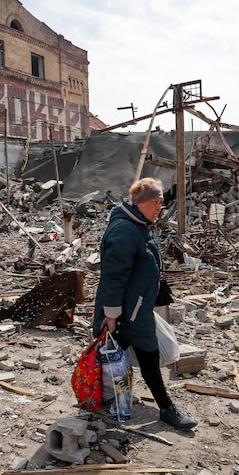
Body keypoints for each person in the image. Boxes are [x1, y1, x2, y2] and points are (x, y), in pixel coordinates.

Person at [92, 178, 198, 429]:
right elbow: (113, 276)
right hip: (128, 311)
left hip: (134, 307)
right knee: (147, 354)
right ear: (139, 203)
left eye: (161, 201)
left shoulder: (138, 225)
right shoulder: (125, 230)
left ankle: (105, 400)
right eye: (154, 201)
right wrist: (111, 314)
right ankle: (166, 407)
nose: (159, 206)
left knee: (113, 354)